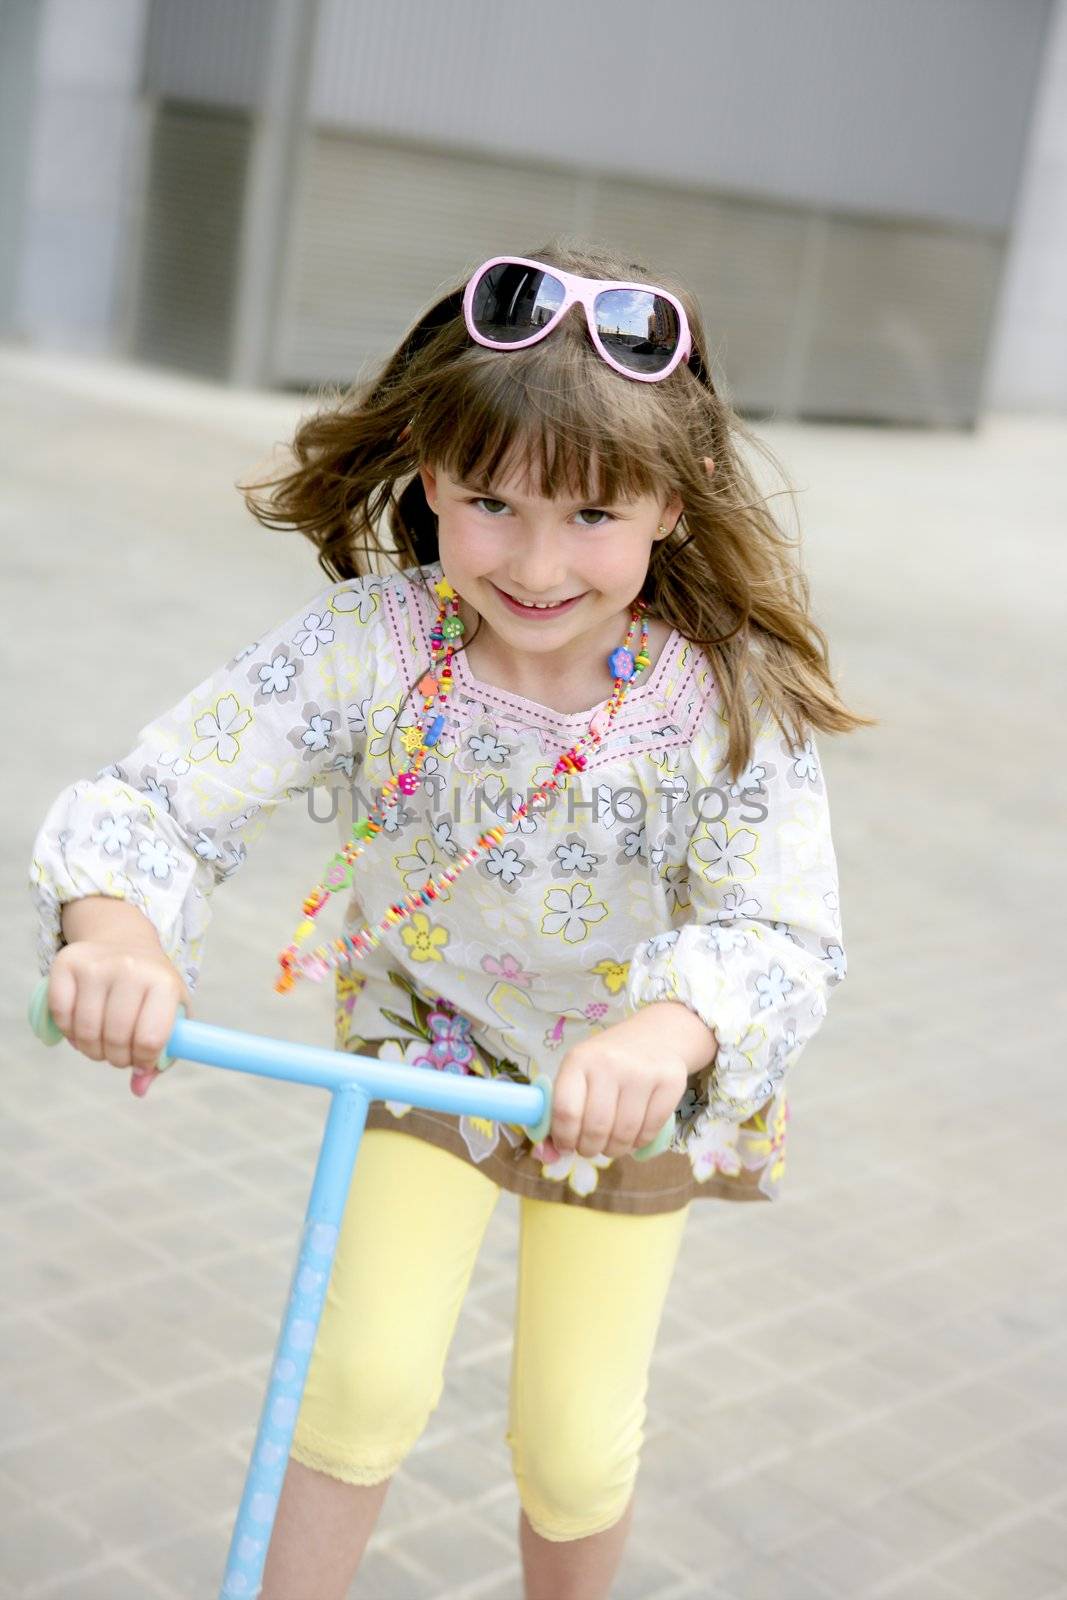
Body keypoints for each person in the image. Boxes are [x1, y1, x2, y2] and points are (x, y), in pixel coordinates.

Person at [29, 241, 872, 1600]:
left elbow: (783, 930)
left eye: (594, 517)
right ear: (428, 474)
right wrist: (116, 929)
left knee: (574, 1445)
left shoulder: (721, 704)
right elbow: (161, 801)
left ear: (674, 498)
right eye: (493, 503)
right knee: (358, 1385)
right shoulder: (369, 645)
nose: (537, 565)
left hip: (627, 1090)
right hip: (427, 1049)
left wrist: (665, 1031)